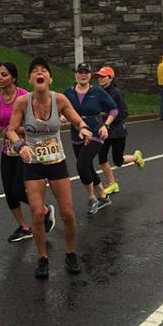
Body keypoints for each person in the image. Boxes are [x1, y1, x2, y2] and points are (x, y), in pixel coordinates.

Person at [7, 57, 93, 279]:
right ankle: (43, 258)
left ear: (50, 78)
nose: (39, 72)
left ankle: (71, 253)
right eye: (35, 70)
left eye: (44, 70)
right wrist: (20, 146)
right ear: (30, 79)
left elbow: (77, 120)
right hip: (33, 163)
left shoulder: (60, 100)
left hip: (56, 162)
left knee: (68, 214)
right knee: (37, 214)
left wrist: (83, 128)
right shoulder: (23, 103)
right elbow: (11, 130)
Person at [0, 61, 55, 242]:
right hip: (7, 150)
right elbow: (2, 123)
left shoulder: (25, 96)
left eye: (4, 74)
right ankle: (24, 227)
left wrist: (14, 130)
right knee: (9, 192)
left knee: (18, 190)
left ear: (14, 78)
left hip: (26, 148)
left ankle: (44, 210)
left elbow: (37, 125)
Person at [64, 63, 117, 215]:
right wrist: (63, 116)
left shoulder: (98, 92)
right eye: (80, 72)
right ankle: (103, 196)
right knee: (87, 166)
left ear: (90, 75)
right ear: (75, 75)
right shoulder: (68, 92)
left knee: (81, 165)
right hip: (76, 132)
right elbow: (62, 109)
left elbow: (114, 109)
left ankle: (91, 198)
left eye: (86, 72)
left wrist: (105, 125)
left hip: (95, 132)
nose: (83, 75)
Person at [94, 66, 144, 194]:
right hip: (104, 132)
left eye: (103, 76)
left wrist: (107, 118)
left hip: (117, 132)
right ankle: (113, 184)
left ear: (110, 78)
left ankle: (135, 157)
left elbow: (124, 113)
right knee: (102, 158)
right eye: (99, 76)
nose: (100, 79)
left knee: (118, 161)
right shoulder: (98, 92)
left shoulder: (116, 93)